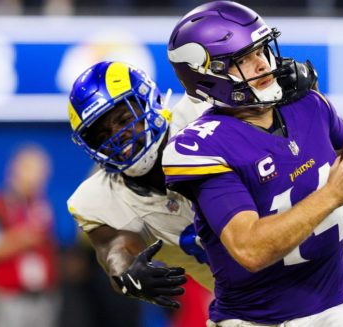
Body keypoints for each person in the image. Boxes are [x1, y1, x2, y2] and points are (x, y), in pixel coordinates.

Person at [162, 1, 343, 326]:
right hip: (253, 320)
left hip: (335, 309)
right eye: (242, 59)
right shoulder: (202, 146)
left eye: (261, 51)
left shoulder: (309, 105)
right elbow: (250, 250)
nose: (262, 64)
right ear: (208, 75)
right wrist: (331, 196)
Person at [66, 57, 317, 308]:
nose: (118, 137)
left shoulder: (205, 112)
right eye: (102, 135)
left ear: (148, 101)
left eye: (123, 120)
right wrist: (127, 273)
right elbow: (115, 248)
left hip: (311, 274)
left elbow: (294, 127)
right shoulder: (99, 198)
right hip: (246, 311)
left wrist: (293, 90)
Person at [0, 145, 60, 327]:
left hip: (44, 298)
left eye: (44, 173)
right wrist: (19, 240)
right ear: (17, 170)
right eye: (36, 171)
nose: (41, 178)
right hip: (8, 299)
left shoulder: (41, 205)